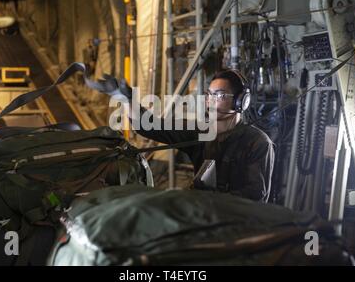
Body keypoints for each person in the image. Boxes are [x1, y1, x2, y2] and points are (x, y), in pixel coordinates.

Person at [87, 70, 275, 202]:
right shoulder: (201, 131)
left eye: (219, 95)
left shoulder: (257, 143)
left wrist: (209, 197)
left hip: (239, 228)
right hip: (202, 215)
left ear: (241, 101)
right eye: (209, 95)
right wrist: (125, 98)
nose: (210, 101)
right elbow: (153, 127)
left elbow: (255, 196)